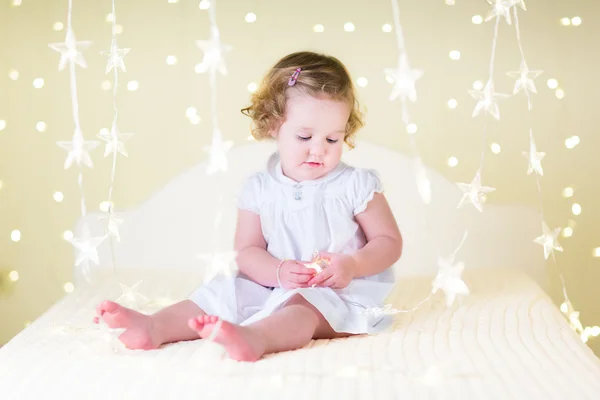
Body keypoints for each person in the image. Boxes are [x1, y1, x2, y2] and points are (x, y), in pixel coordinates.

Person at [95, 51, 403, 362]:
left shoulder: (354, 185)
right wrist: (278, 271)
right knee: (223, 292)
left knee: (303, 309)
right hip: (274, 284)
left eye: (333, 140)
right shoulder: (259, 189)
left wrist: (353, 265)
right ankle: (154, 326)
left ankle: (257, 337)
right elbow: (247, 251)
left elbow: (388, 242)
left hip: (339, 294)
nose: (319, 149)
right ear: (273, 125)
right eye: (304, 136)